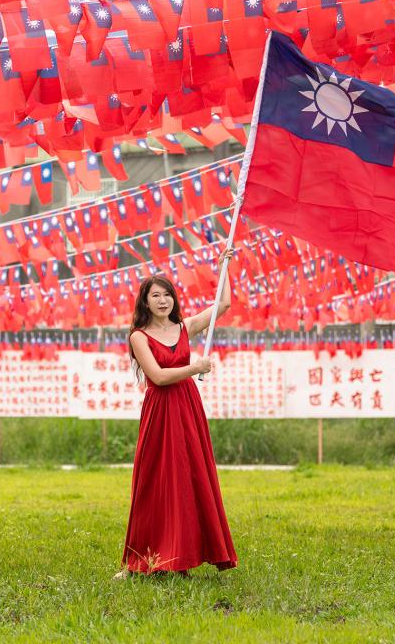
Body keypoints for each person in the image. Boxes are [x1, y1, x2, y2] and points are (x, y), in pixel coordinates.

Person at [114, 247, 238, 579]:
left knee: (188, 479)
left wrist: (226, 265)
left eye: (167, 294)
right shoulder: (139, 337)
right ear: (145, 301)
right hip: (160, 411)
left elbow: (222, 306)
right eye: (156, 296)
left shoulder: (184, 327)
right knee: (153, 483)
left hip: (186, 409)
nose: (163, 301)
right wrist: (194, 366)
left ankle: (181, 556)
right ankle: (137, 561)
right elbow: (157, 376)